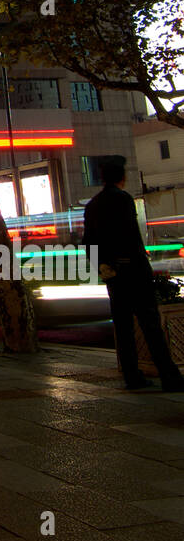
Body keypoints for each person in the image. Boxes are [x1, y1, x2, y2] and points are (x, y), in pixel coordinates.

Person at [83, 155, 184, 392]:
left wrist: (103, 266)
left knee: (123, 326)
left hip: (113, 274)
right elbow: (131, 235)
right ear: (122, 178)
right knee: (150, 325)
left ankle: (132, 375)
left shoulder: (93, 204)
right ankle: (168, 375)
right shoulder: (123, 199)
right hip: (133, 270)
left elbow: (88, 241)